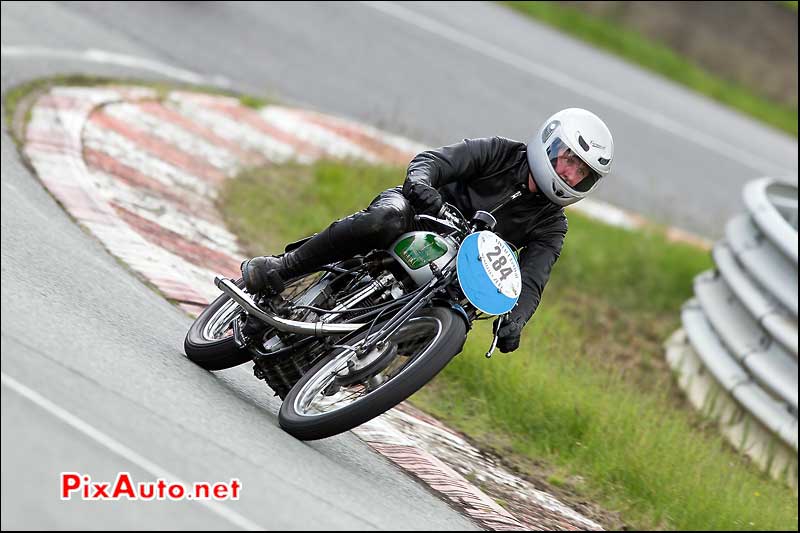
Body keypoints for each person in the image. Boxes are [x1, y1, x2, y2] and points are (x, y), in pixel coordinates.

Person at [241, 108, 614, 353]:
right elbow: (433, 161)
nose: (570, 175)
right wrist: (423, 185)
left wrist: (516, 320)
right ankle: (282, 267)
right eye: (569, 161)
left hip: (457, 271)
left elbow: (533, 278)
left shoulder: (552, 224)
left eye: (582, 173)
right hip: (415, 217)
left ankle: (366, 362)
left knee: (458, 326)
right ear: (549, 144)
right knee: (382, 220)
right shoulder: (500, 152)